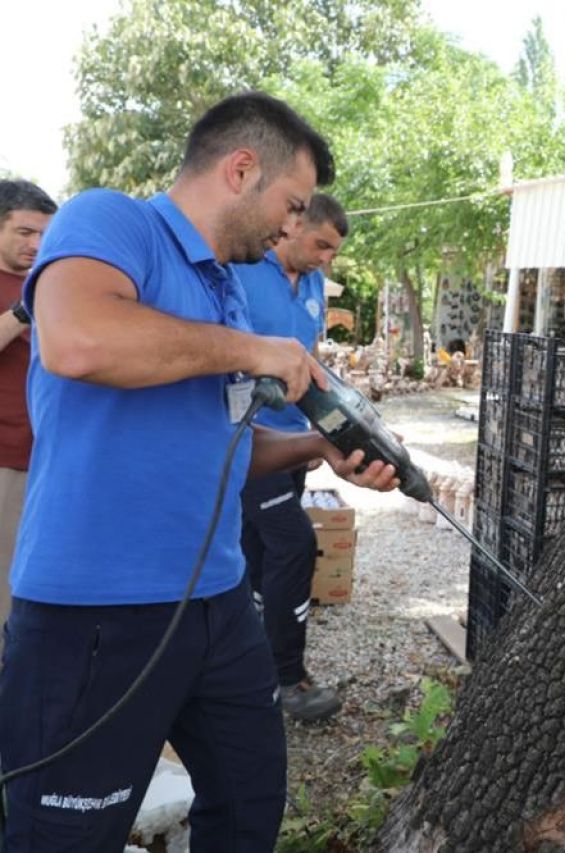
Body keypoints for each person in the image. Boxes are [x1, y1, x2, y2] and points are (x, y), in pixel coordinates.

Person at [0, 92, 399, 851]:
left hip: (219, 606)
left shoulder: (225, 292)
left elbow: (226, 449)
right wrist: (252, 352)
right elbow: (78, 340)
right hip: (95, 614)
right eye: (291, 203)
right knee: (66, 836)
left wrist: (319, 450)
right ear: (240, 168)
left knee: (250, 804)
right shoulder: (110, 221)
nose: (294, 225)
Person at [234, 193, 348, 722]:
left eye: (334, 251)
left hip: (295, 441)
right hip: (244, 440)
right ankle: (286, 677)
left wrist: (331, 420)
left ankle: (247, 666)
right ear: (295, 225)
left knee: (258, 555)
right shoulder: (244, 268)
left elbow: (311, 358)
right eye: (321, 244)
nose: (327, 258)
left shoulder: (316, 284)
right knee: (294, 543)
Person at [0, 180, 57, 649]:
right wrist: (23, 310)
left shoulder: (52, 282)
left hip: (50, 457)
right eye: (24, 232)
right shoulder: (28, 295)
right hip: (6, 459)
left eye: (44, 234)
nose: (36, 244)